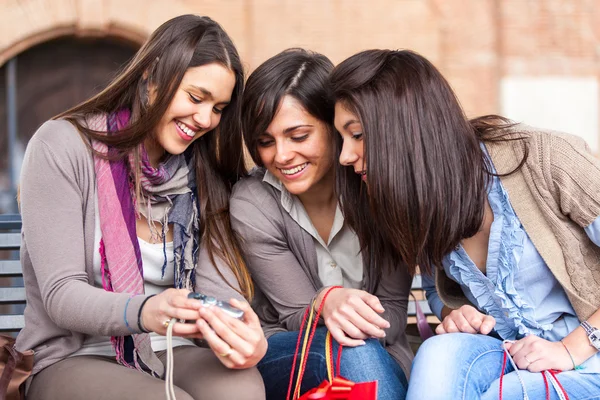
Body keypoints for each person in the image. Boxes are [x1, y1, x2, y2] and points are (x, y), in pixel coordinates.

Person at [16, 14, 266, 400]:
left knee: (242, 389)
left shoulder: (202, 170)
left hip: (170, 347)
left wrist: (243, 336)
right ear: (151, 76)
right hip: (75, 353)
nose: (205, 119)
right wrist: (145, 310)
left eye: (218, 108)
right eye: (196, 98)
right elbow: (61, 293)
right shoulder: (61, 147)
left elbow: (218, 291)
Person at [330, 48, 600, 399]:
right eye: (342, 139)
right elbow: (434, 290)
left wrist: (572, 347)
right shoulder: (421, 199)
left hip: (587, 358)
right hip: (513, 357)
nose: (345, 156)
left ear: (406, 129)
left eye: (358, 135)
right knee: (439, 353)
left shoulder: (547, 159)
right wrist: (457, 313)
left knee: (510, 393)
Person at [229, 48, 411, 400]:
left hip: (383, 354)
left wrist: (358, 322)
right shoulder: (253, 203)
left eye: (298, 136)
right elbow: (293, 313)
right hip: (288, 353)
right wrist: (325, 301)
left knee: (360, 353)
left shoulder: (381, 190)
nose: (280, 156)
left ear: (335, 126)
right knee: (351, 351)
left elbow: (395, 308)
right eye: (265, 142)